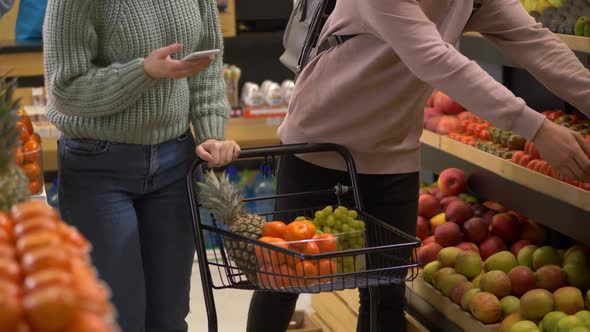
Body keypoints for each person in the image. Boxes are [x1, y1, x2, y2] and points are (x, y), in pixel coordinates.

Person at [247, 0, 590, 331]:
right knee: (281, 280)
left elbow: (536, 42)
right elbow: (436, 60)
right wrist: (538, 128)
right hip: (318, 145)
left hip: (393, 153)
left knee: (386, 294)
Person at [43, 0, 239, 331]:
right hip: (98, 166)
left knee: (169, 317)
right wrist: (143, 72)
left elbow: (206, 67)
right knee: (117, 317)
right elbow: (66, 89)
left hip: (175, 161)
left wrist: (211, 135)